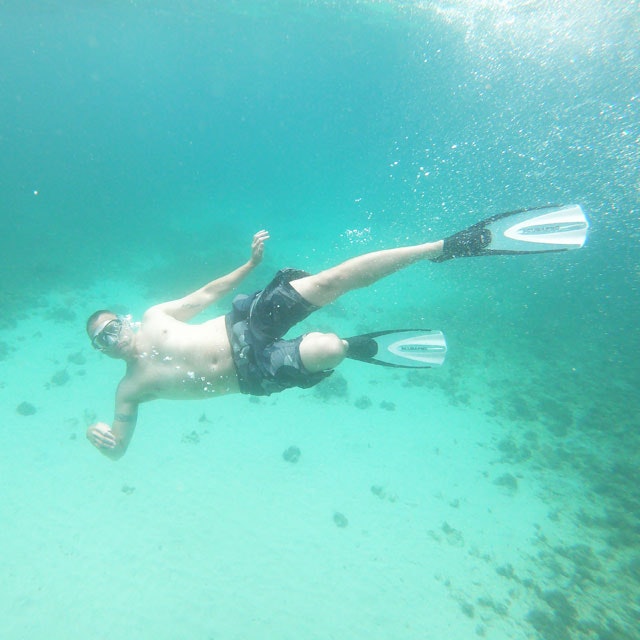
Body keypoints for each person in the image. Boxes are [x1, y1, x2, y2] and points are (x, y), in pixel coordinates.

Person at [86, 205, 588, 459]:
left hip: (243, 322)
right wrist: (111, 446)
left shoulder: (155, 316)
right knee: (328, 349)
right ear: (102, 351)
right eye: (101, 341)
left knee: (327, 282)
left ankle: (447, 245)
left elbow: (206, 293)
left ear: (125, 319)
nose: (112, 339)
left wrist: (250, 263)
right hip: (253, 373)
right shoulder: (130, 387)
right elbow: (122, 439)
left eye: (111, 327)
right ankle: (358, 346)